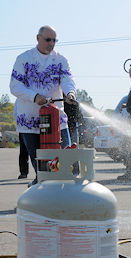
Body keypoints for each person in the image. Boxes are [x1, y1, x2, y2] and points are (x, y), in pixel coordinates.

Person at [10, 25, 76, 187]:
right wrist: (35, 97)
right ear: (38, 38)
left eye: (54, 40)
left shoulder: (61, 60)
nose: (51, 43)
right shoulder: (23, 59)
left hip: (56, 119)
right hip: (29, 121)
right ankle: (42, 188)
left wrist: (70, 93)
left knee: (64, 159)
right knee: (41, 164)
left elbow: (67, 80)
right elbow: (15, 86)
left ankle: (57, 189)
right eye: (48, 39)